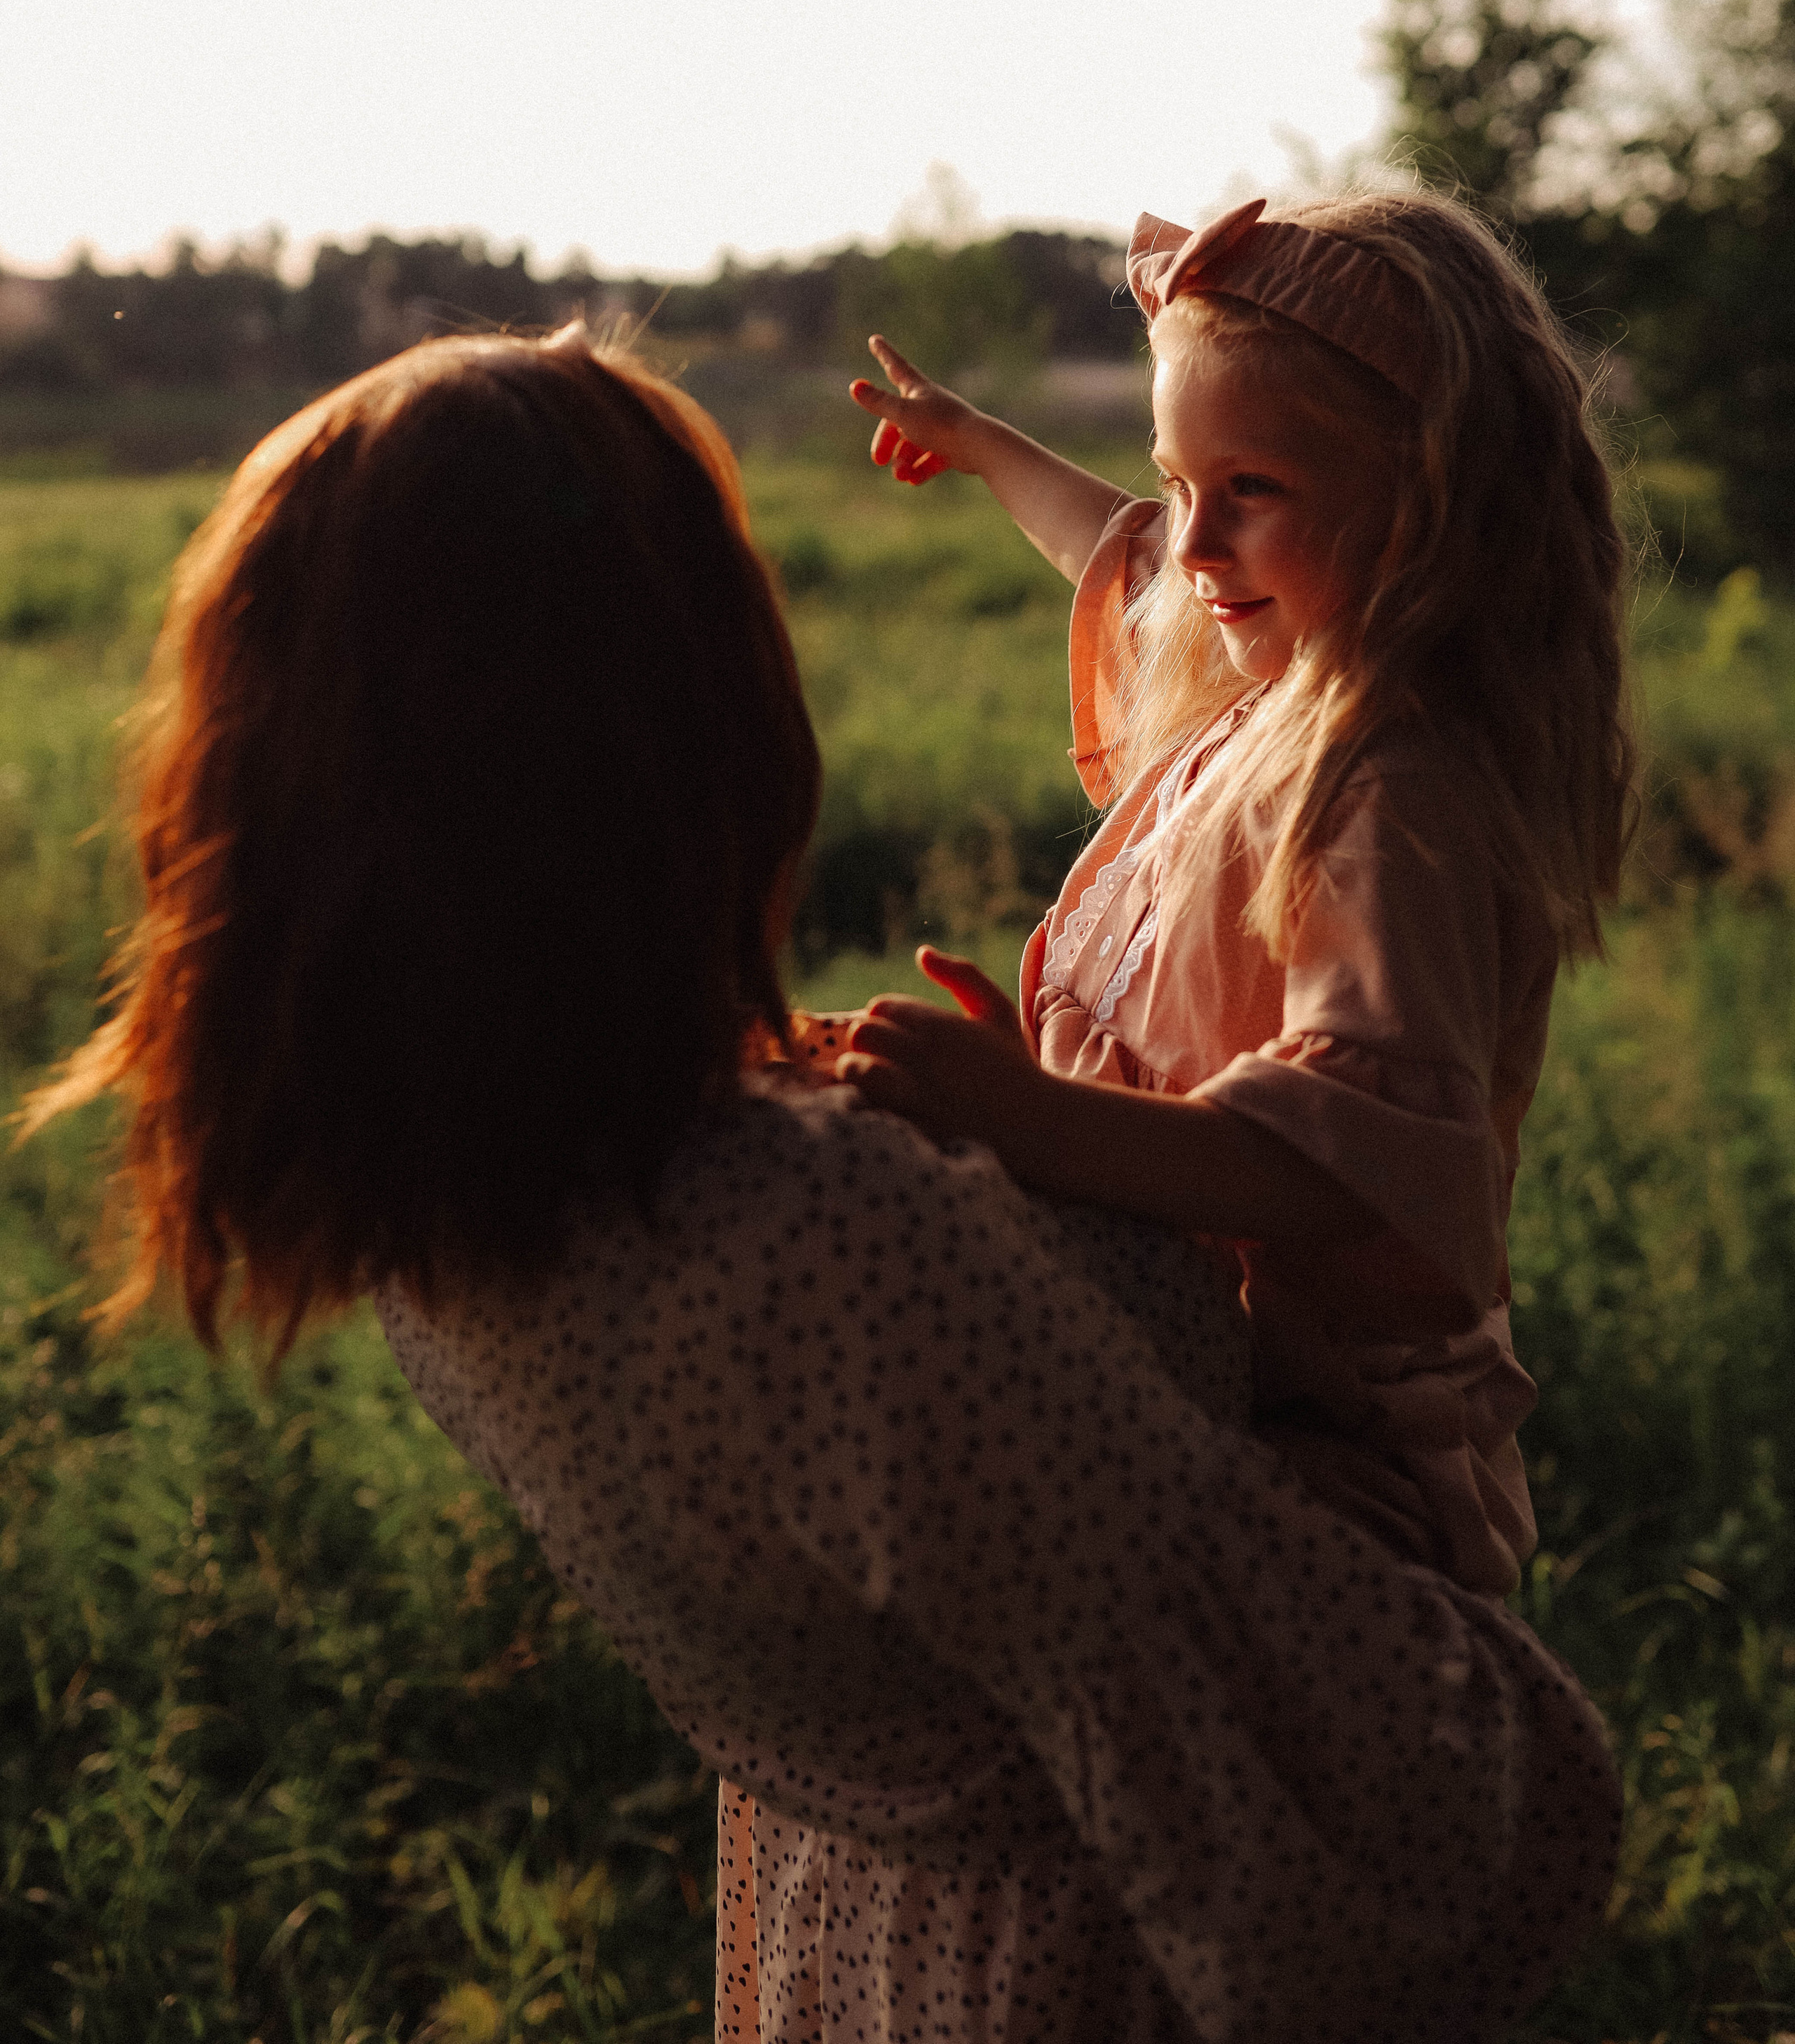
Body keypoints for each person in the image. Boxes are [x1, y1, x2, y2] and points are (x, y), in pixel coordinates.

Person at [24, 323, 1620, 2044]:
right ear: (678, 720)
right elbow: (1446, 1816)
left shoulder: (446, 1187)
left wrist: (1051, 1168)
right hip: (1076, 1975)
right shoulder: (836, 1239)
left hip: (846, 1938)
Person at [843, 189, 1634, 1604]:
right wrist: (987, 448)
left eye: (1251, 489)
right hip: (1207, 1401)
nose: (1196, 544)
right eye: (1178, 482)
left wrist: (1032, 1119)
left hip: (1330, 1469)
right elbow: (1132, 556)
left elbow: (1349, 1156)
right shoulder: (1289, 680)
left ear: (1429, 504)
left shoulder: (1393, 789)